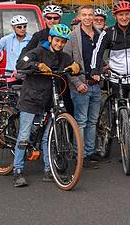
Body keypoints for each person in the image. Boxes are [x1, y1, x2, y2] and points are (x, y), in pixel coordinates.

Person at [13, 24, 81, 187]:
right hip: (31, 98)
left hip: (51, 100)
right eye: (57, 40)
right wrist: (37, 65)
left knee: (47, 137)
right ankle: (18, 170)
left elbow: (75, 65)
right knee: (24, 136)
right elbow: (21, 63)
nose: (59, 44)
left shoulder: (63, 56)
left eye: (63, 42)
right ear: (50, 38)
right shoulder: (37, 52)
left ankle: (48, 170)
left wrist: (75, 67)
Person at [90, 0, 130, 165]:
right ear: (115, 16)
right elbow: (98, 52)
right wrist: (95, 70)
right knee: (117, 111)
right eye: (121, 14)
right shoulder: (108, 33)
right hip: (117, 77)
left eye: (127, 14)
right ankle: (121, 139)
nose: (124, 17)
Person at [64, 5, 104, 167]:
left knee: (93, 121)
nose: (88, 18)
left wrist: (105, 69)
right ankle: (79, 154)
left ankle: (90, 152)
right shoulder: (73, 36)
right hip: (81, 85)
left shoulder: (100, 35)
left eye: (90, 15)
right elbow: (66, 63)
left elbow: (101, 58)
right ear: (79, 16)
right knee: (81, 121)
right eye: (84, 15)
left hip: (96, 85)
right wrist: (77, 83)